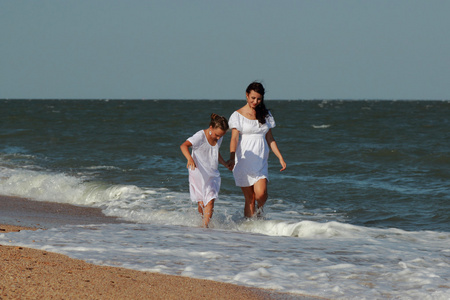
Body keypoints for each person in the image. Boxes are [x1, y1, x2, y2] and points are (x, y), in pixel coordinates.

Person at [227, 82, 286, 218]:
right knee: (250, 199)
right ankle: (250, 231)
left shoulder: (266, 114)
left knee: (261, 195)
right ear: (247, 95)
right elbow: (234, 139)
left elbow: (270, 138)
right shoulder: (237, 115)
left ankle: (260, 212)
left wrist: (280, 157)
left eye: (258, 99)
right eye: (253, 98)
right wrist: (231, 157)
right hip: (243, 159)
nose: (255, 101)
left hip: (260, 160)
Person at [180, 113, 229, 227]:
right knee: (201, 203)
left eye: (221, 136)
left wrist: (225, 163)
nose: (218, 138)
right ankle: (202, 225)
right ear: (211, 128)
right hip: (197, 172)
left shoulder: (219, 137)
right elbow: (183, 146)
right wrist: (189, 159)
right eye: (217, 135)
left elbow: (215, 152)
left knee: (210, 200)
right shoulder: (200, 136)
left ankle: (205, 227)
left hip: (211, 173)